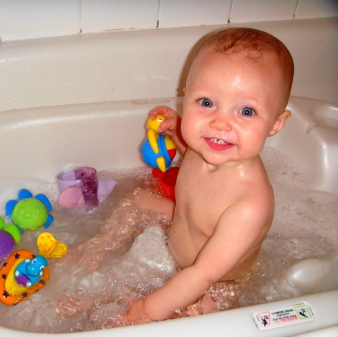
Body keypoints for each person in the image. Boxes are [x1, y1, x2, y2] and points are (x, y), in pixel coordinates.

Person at [58, 27, 294, 326]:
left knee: (192, 313)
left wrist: (147, 309)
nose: (219, 123)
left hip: (216, 279)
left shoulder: (250, 204)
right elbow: (193, 153)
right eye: (206, 103)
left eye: (246, 111)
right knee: (139, 200)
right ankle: (95, 249)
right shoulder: (212, 148)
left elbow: (202, 273)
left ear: (276, 123)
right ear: (186, 96)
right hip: (182, 231)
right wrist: (176, 132)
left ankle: (123, 305)